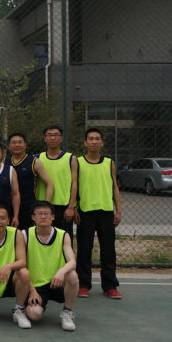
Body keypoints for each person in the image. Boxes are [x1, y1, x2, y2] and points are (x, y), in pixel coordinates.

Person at [75, 128, 123, 299]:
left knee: (108, 250)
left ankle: (110, 286)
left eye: (97, 139)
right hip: (85, 211)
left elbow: (114, 187)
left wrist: (118, 210)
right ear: (85, 142)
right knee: (84, 249)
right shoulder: (78, 162)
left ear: (102, 142)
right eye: (91, 139)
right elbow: (74, 186)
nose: (94, 142)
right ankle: (83, 285)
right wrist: (74, 207)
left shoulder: (109, 163)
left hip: (106, 211)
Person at [23, 201, 78, 331]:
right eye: (39, 214)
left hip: (57, 282)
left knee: (72, 275)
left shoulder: (63, 235)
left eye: (46, 214)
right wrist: (32, 290)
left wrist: (61, 271)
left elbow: (72, 262)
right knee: (35, 315)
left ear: (53, 216)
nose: (43, 216)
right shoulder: (25, 235)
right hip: (36, 286)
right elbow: (21, 267)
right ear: (33, 217)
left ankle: (67, 312)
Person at [36, 125, 78, 238]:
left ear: (61, 138)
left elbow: (74, 184)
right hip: (43, 205)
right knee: (43, 239)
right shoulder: (37, 158)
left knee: (64, 240)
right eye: (49, 135)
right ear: (44, 138)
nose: (53, 138)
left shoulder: (70, 158)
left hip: (63, 207)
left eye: (56, 135)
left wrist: (71, 207)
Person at [5, 132, 53, 231]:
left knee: (27, 236)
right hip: (8, 206)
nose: (17, 145)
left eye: (20, 142)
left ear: (25, 145)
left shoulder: (34, 162)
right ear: (9, 146)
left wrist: (46, 205)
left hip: (28, 207)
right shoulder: (5, 161)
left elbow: (49, 184)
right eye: (14, 142)